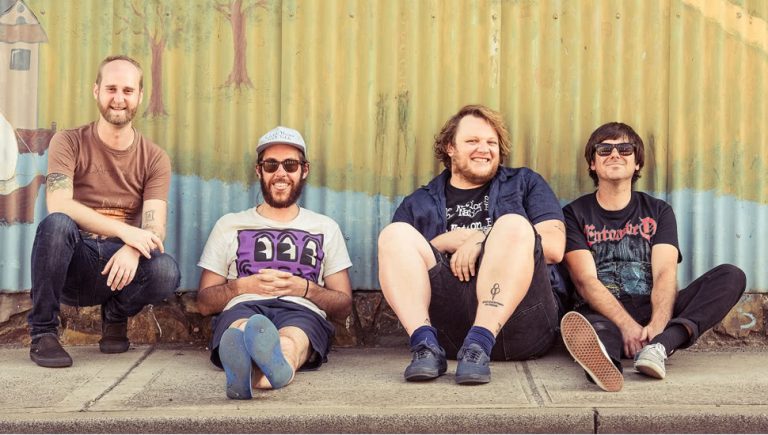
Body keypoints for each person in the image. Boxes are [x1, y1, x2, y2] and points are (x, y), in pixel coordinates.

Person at [378, 104, 565, 385]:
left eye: (492, 142)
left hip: (523, 325)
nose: (485, 149)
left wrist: (482, 238)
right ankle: (425, 346)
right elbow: (396, 270)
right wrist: (440, 243)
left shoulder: (525, 183)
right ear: (449, 147)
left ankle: (481, 340)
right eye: (473, 141)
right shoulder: (419, 203)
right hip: (450, 334)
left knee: (513, 224)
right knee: (393, 234)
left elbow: (553, 246)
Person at [560, 122, 746, 392]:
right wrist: (627, 326)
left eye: (625, 149)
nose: (615, 154)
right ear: (592, 163)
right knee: (596, 326)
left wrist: (657, 325)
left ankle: (659, 346)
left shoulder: (658, 210)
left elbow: (665, 273)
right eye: (604, 149)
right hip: (603, 310)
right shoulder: (574, 214)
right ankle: (605, 362)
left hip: (653, 305)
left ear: (637, 163)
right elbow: (585, 280)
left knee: (731, 276)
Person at [28, 55, 181, 368]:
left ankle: (115, 316)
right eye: (111, 88)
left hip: (118, 264)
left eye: (127, 90)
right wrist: (126, 231)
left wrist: (132, 249)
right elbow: (58, 203)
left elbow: (155, 226)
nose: (119, 98)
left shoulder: (155, 158)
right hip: (75, 257)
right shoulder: (67, 141)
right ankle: (43, 332)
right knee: (56, 224)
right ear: (95, 91)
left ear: (139, 96)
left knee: (166, 270)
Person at [196, 126, 353, 399]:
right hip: (243, 305)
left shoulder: (325, 227)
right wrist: (241, 287)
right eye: (271, 164)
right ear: (259, 171)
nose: (281, 172)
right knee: (243, 328)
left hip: (302, 310)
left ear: (304, 170)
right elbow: (204, 302)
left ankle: (256, 370)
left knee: (290, 340)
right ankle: (262, 370)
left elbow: (343, 306)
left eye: (290, 164)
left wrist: (305, 289)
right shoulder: (229, 225)